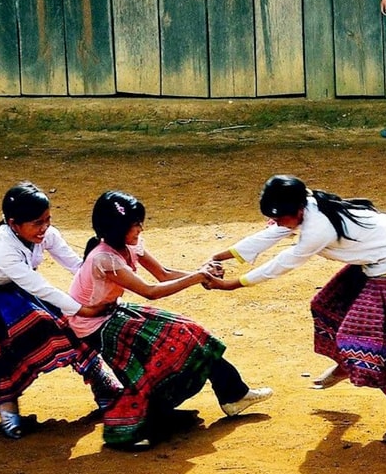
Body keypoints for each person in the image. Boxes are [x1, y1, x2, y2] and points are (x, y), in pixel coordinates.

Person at [215, 176, 386, 442]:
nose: (278, 223)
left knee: (359, 345)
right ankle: (345, 364)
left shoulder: (318, 228)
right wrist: (221, 257)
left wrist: (232, 284)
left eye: (281, 217)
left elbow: (285, 261)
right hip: (374, 265)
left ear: (298, 210)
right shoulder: (306, 206)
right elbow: (275, 231)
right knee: (325, 307)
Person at [71, 191, 271, 449]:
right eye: (135, 224)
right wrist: (198, 277)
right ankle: (127, 428)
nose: (140, 228)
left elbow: (164, 274)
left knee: (191, 332)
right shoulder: (104, 259)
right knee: (162, 358)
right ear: (117, 228)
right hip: (93, 325)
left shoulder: (130, 244)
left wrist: (204, 276)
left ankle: (234, 394)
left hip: (112, 312)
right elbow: (150, 291)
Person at [0, 182, 121, 439]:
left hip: (15, 290)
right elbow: (41, 287)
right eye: (37, 223)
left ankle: (104, 387)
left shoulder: (48, 235)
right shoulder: (2, 248)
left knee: (68, 328)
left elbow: (77, 266)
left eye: (47, 220)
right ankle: (8, 414)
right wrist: (86, 309)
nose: (44, 228)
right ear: (13, 224)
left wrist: (102, 284)